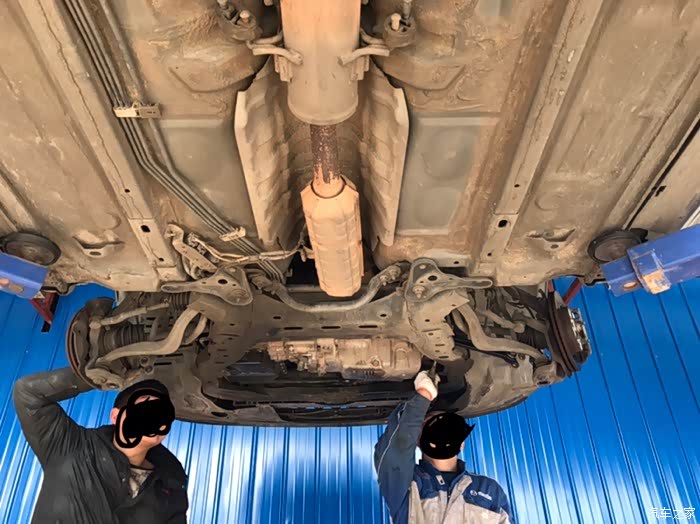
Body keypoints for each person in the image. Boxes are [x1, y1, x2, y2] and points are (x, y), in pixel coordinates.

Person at [13, 367, 189, 523]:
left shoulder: (171, 485)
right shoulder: (71, 445)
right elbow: (28, 393)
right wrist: (99, 374)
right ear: (116, 417)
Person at [374, 370, 513, 523]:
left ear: (461, 443)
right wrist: (423, 394)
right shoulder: (407, 484)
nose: (441, 431)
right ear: (418, 439)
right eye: (431, 424)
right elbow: (395, 449)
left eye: (448, 426)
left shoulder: (489, 490)